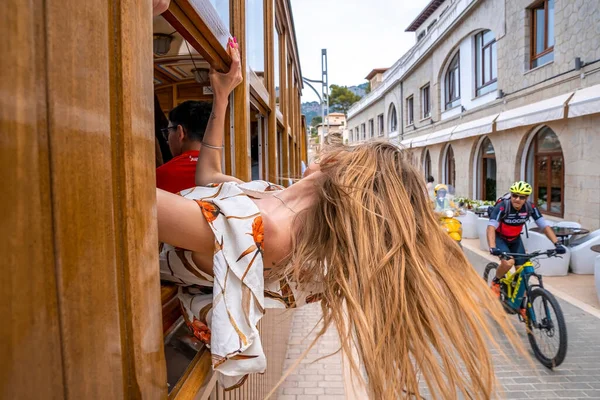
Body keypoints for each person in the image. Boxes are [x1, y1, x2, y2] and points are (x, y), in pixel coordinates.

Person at [157, 39, 526, 399]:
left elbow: (136, 205)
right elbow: (208, 181)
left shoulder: (264, 230)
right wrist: (221, 96)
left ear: (332, 162)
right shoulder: (269, 200)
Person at [487, 181, 566, 297]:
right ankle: (496, 281)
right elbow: (491, 227)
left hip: (515, 239)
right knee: (509, 262)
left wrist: (557, 243)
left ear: (526, 198)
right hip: (500, 238)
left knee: (522, 271)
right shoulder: (503, 206)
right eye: (514, 195)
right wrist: (492, 247)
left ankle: (519, 304)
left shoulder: (530, 208)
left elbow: (544, 226)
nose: (517, 199)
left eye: (522, 197)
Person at [156, 100, 212, 193]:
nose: (167, 140)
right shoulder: (223, 169)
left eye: (168, 131)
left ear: (180, 132)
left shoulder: (160, 175)